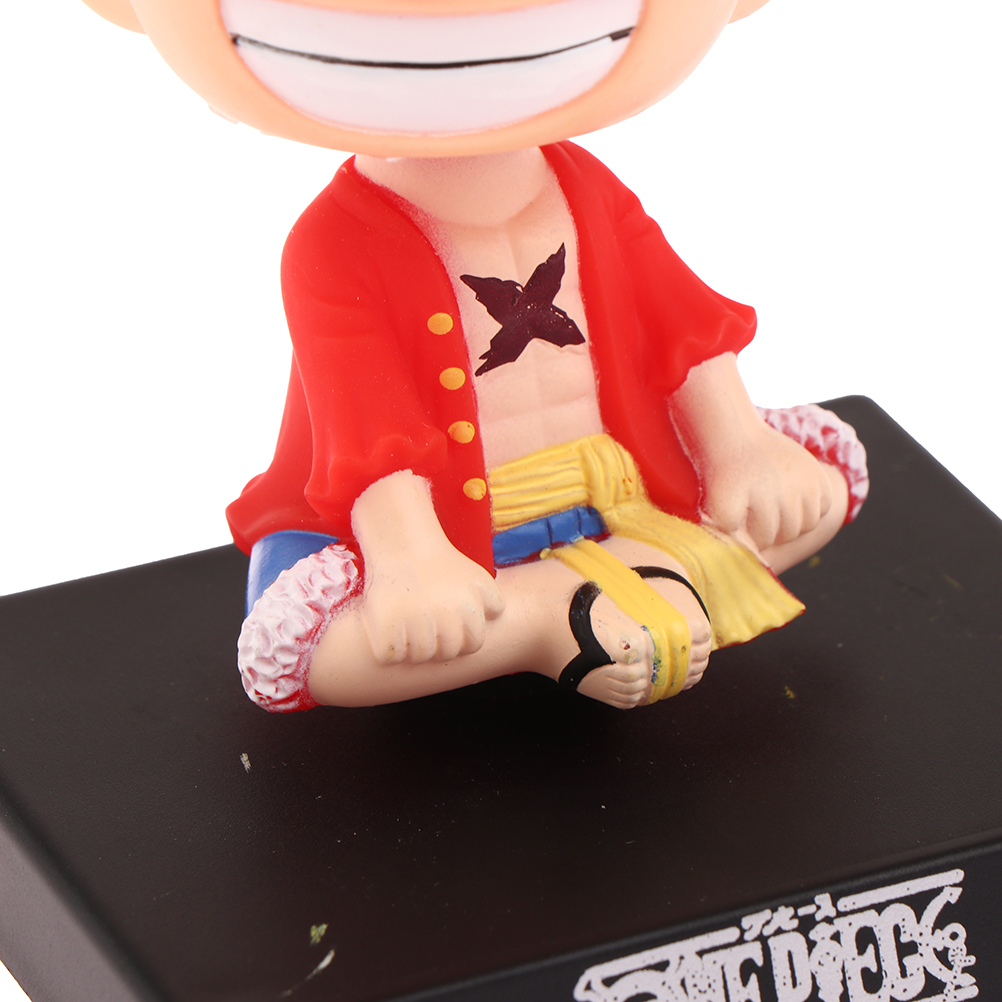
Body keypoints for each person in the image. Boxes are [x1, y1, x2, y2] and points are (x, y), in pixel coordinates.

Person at [82, 0, 868, 711]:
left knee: (824, 491)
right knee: (321, 657)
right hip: (447, 528)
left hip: (620, 491)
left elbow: (682, 326)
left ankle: (613, 585)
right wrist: (411, 559)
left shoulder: (587, 188)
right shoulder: (333, 244)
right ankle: (548, 618)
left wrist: (741, 447)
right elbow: (370, 430)